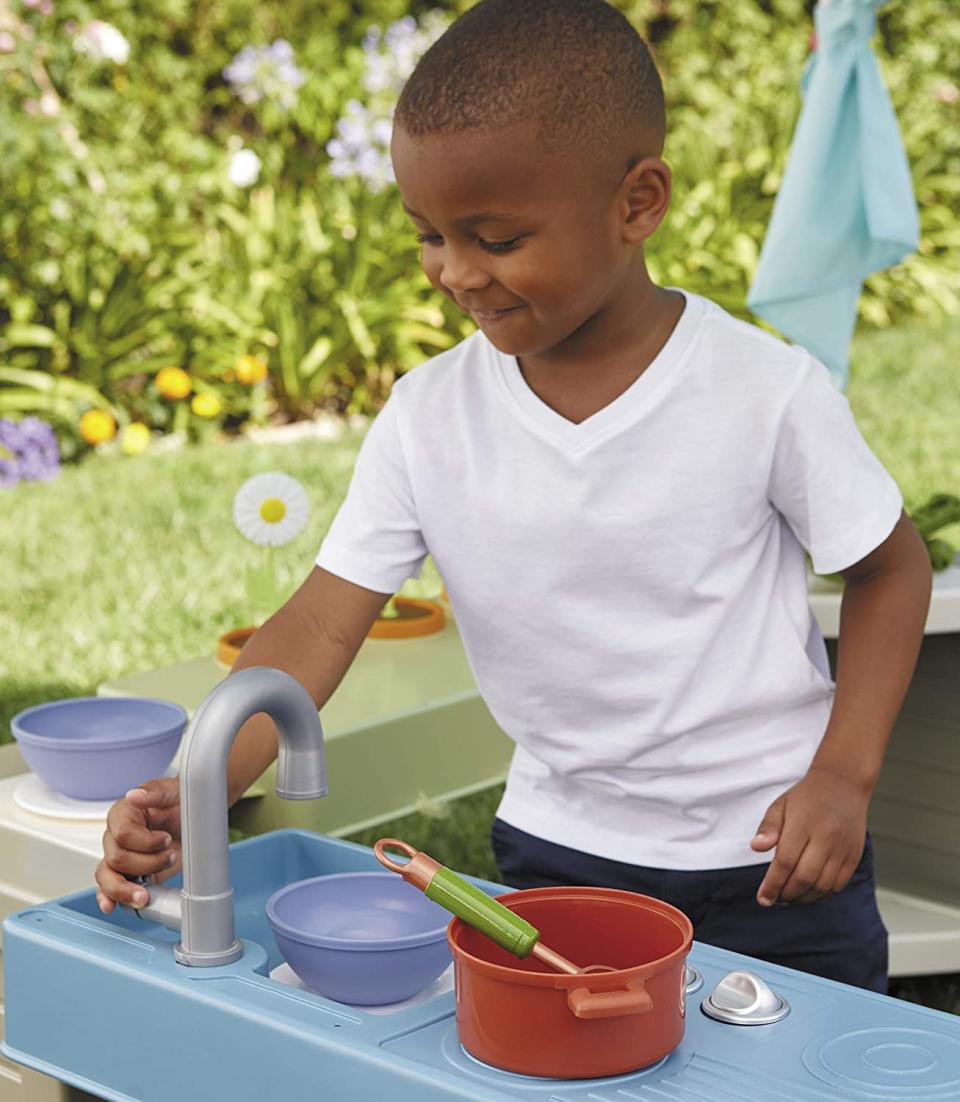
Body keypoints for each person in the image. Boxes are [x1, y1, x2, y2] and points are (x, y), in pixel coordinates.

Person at [95, 0, 932, 994]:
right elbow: (319, 624)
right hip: (557, 849)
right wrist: (196, 787)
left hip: (773, 859)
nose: (455, 271)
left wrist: (842, 776)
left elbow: (891, 569)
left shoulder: (763, 391)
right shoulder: (428, 414)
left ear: (638, 201)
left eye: (493, 237)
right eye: (429, 236)